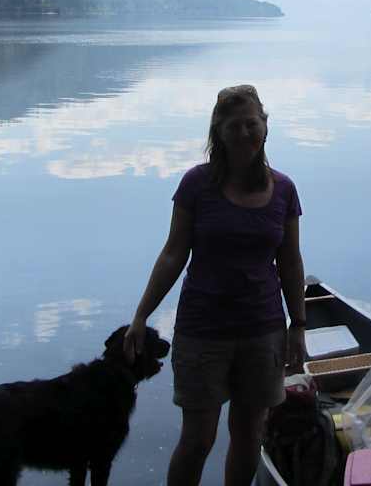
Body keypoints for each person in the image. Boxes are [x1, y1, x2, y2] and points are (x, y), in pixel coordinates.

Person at [124, 84, 306, 486]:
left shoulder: (285, 189)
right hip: (203, 331)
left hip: (263, 331)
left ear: (265, 127)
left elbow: (290, 262)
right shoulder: (196, 184)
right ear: (218, 133)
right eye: (234, 126)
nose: (244, 133)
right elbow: (174, 253)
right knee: (198, 439)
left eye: (252, 124)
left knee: (248, 437)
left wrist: (300, 324)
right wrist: (141, 315)